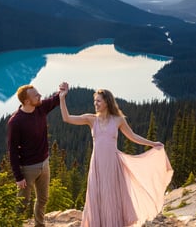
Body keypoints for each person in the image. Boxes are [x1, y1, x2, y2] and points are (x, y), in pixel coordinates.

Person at [59, 84, 173, 227]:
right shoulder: (91, 119)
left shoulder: (118, 120)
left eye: (99, 101)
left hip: (112, 164)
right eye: (95, 101)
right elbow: (67, 118)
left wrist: (152, 143)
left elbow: (132, 136)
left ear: (107, 102)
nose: (95, 104)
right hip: (97, 164)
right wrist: (62, 98)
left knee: (111, 196)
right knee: (97, 195)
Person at [7, 83, 67, 227]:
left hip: (44, 164)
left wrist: (62, 91)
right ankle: (15, 224)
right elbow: (13, 151)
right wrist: (18, 177)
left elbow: (54, 100)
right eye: (36, 95)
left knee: (43, 199)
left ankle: (39, 225)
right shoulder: (15, 122)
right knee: (22, 203)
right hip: (27, 169)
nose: (40, 96)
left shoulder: (40, 107)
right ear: (27, 101)